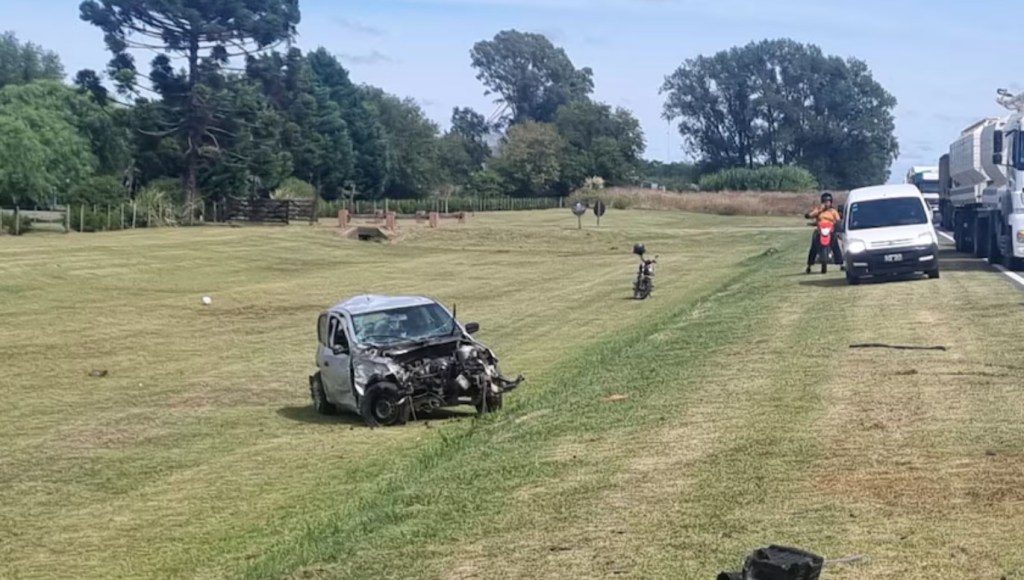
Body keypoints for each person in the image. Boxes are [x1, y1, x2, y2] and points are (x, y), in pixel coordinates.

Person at [804, 191, 844, 273]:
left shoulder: (833, 211)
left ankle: (841, 264)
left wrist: (838, 226)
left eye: (828, 202)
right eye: (825, 202)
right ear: (822, 202)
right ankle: (809, 265)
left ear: (831, 202)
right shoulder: (818, 210)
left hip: (830, 230)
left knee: (835, 245)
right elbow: (810, 215)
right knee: (814, 245)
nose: (827, 204)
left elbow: (838, 220)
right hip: (820, 230)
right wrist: (812, 214)